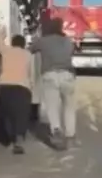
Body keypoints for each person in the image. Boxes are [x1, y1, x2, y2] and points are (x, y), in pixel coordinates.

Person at [32, 17, 77, 150]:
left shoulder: (43, 41)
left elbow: (31, 49)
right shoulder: (67, 41)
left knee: (52, 106)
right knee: (69, 107)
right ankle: (70, 137)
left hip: (50, 75)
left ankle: (56, 129)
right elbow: (71, 53)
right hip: (67, 75)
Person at [0, 27, 33, 154]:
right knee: (21, 114)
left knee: (7, 114)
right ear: (23, 44)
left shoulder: (6, 51)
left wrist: (2, 34)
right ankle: (18, 140)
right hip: (22, 87)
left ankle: (10, 141)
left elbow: (0, 44)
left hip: (5, 86)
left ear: (12, 43)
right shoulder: (28, 54)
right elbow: (30, 73)